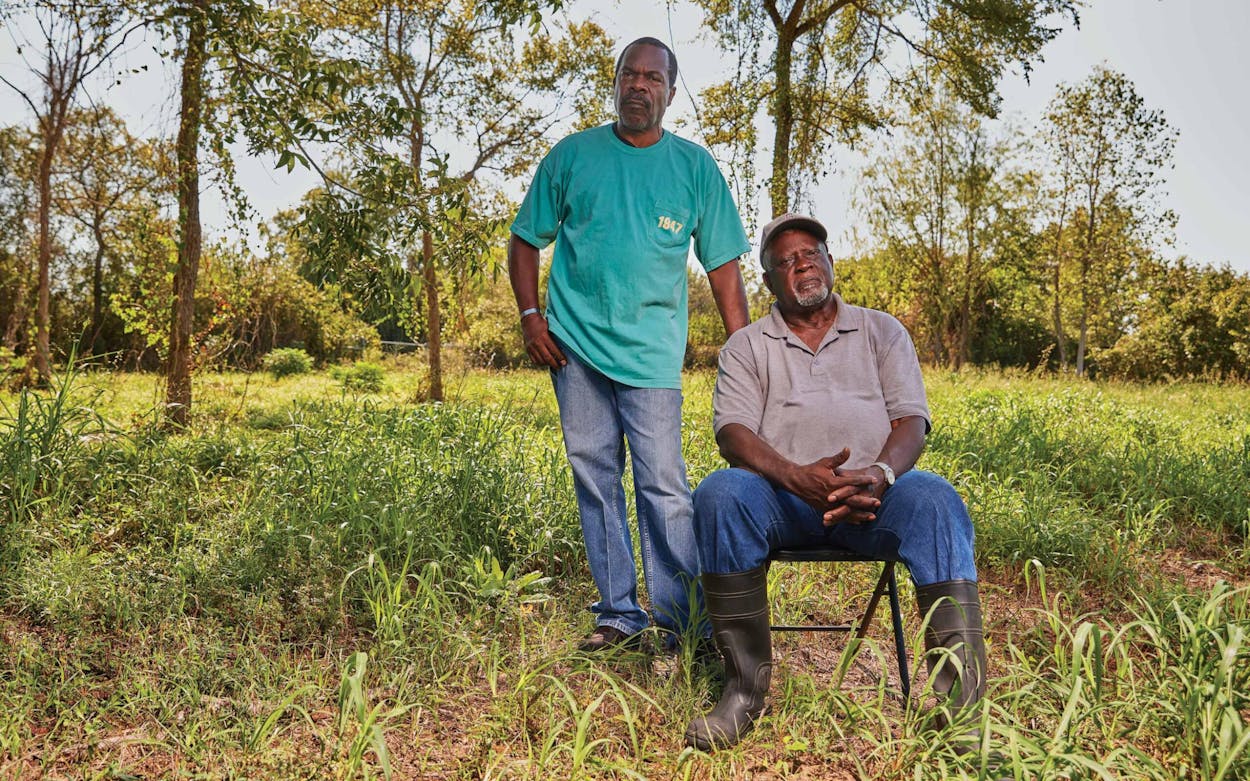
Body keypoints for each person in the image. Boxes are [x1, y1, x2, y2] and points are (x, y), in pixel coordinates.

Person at [684, 213, 987, 751]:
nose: (801, 264)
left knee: (937, 499)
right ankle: (743, 695)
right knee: (720, 493)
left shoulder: (882, 329)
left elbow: (911, 420)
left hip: (874, 498)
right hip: (780, 500)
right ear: (770, 280)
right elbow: (732, 434)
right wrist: (798, 479)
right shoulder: (748, 345)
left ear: (829, 261)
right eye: (784, 261)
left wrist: (879, 473)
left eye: (810, 253)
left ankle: (960, 713)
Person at [507, 37, 751, 653]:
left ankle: (678, 625)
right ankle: (618, 614)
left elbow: (724, 267)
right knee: (595, 478)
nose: (639, 86)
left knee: (664, 486)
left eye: (653, 78)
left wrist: (748, 352)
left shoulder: (694, 168)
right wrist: (533, 316)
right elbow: (524, 239)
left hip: (651, 359)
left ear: (671, 90)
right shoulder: (572, 156)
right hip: (574, 349)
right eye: (629, 75)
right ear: (615, 82)